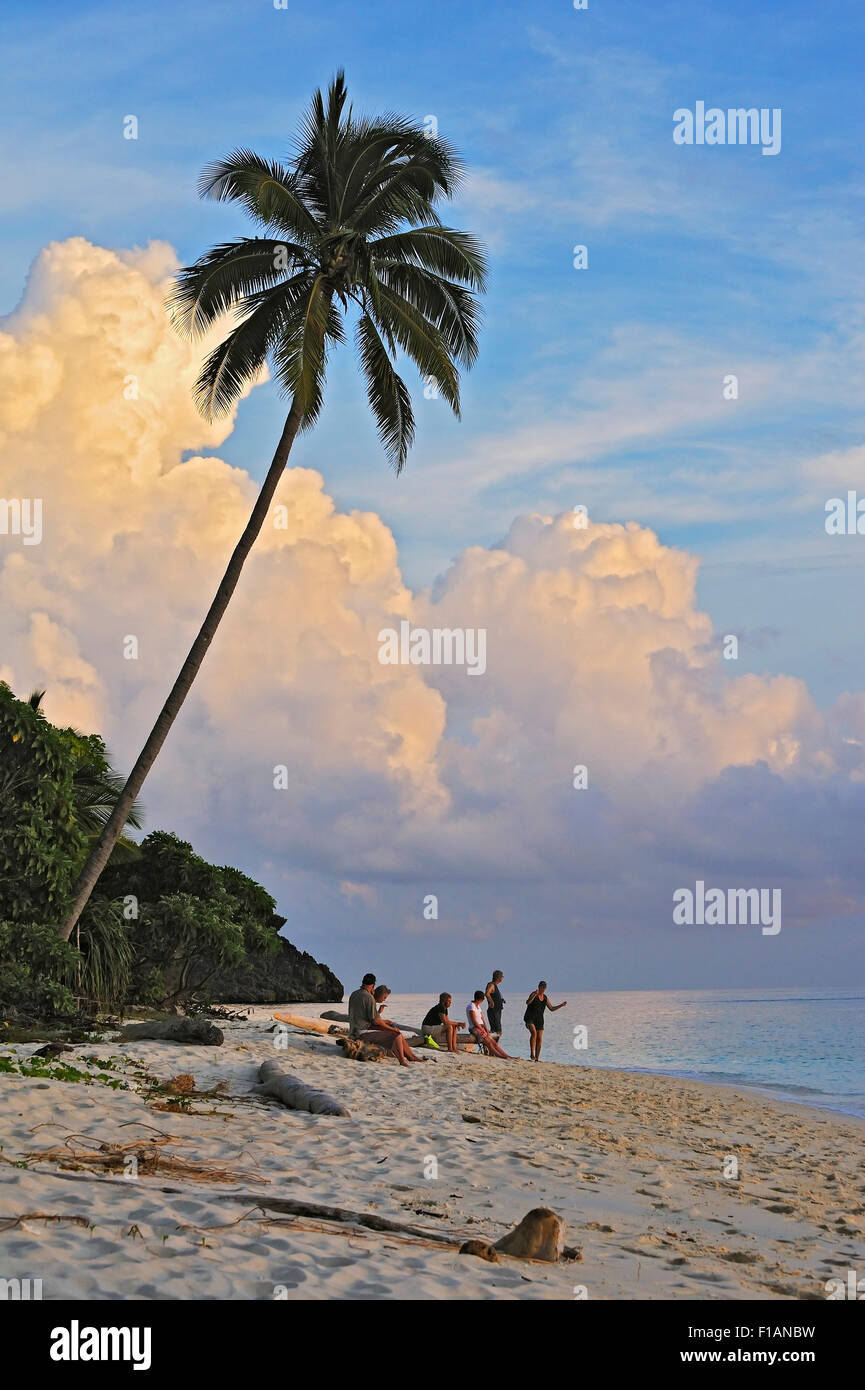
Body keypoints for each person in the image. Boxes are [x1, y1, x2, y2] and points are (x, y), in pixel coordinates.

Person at [358, 982, 422, 1067]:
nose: (384, 1000)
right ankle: (403, 1060)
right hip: (365, 1030)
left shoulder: (370, 1000)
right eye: (384, 997)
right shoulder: (371, 1000)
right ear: (380, 994)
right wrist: (388, 1024)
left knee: (395, 1030)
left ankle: (411, 1056)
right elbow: (374, 1021)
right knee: (396, 1034)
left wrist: (380, 1013)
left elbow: (372, 1018)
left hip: (368, 1027)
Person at [523, 981, 567, 1062]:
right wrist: (534, 996)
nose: (542, 989)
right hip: (530, 1018)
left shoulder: (545, 998)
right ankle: (532, 1053)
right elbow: (527, 1002)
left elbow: (551, 1008)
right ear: (539, 987)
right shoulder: (533, 994)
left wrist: (561, 1005)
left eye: (544, 988)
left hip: (539, 1020)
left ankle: (537, 1058)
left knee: (539, 1038)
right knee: (534, 1033)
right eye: (541, 987)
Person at [466, 991, 510, 1059]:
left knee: (494, 1042)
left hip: (481, 1027)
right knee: (488, 1042)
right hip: (475, 1028)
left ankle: (507, 1056)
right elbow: (474, 1021)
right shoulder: (471, 1006)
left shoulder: (478, 1007)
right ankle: (500, 1056)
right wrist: (482, 1030)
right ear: (481, 999)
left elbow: (482, 1019)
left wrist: (486, 1029)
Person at [485, 969, 505, 1038]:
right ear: (499, 977)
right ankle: (493, 1046)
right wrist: (491, 1002)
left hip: (496, 1011)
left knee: (495, 1031)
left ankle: (492, 1046)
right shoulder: (492, 985)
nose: (502, 978)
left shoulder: (494, 985)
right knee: (498, 1031)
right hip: (494, 1011)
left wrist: (501, 1000)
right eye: (502, 977)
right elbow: (487, 993)